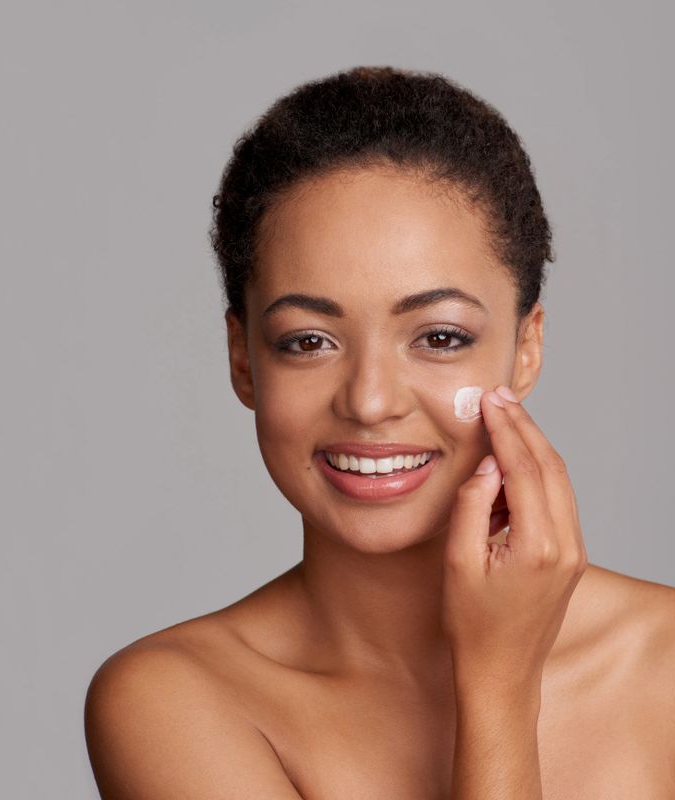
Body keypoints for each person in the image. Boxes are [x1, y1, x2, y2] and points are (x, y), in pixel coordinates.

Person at [84, 66, 675, 799]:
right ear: (243, 360)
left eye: (439, 336)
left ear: (527, 350)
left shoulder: (665, 664)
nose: (369, 401)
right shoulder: (171, 701)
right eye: (308, 341)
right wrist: (498, 689)